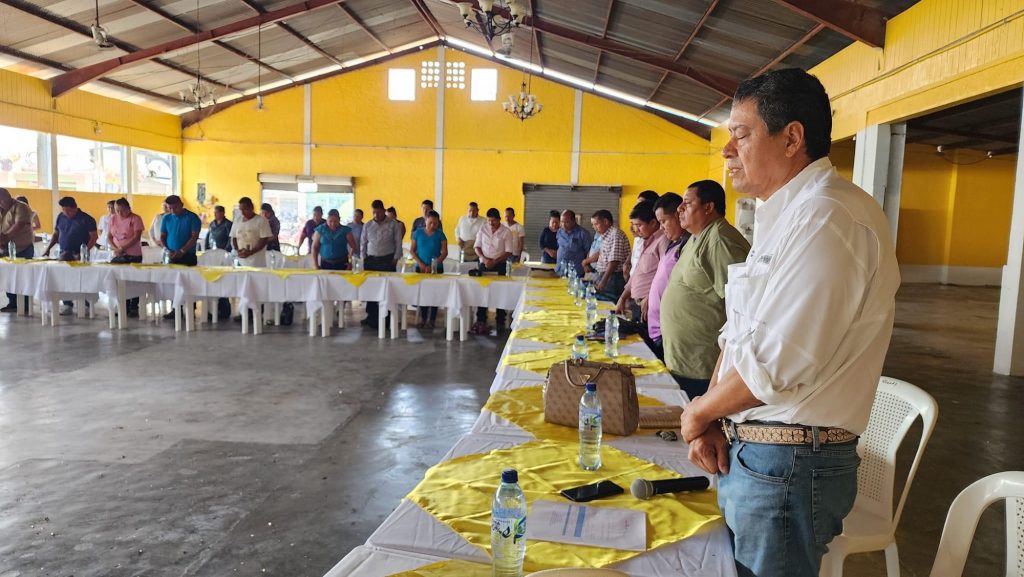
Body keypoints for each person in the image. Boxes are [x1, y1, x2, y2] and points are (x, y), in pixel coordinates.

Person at [679, 69, 900, 577]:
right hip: (762, 455)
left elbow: (774, 366)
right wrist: (712, 416)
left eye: (741, 134)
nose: (727, 150)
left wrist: (697, 413)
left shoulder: (829, 218)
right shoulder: (787, 216)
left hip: (789, 464)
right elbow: (739, 335)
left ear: (792, 138)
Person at [660, 181, 749, 398]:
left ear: (708, 207)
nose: (679, 208)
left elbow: (742, 308)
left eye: (687, 203)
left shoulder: (719, 240)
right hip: (683, 362)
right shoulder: (695, 238)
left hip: (703, 368)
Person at [644, 193, 689, 360]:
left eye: (664, 221)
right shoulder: (674, 244)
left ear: (678, 215)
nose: (661, 228)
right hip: (656, 328)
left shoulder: (686, 247)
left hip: (667, 330)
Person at [615, 201, 666, 338]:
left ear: (653, 223)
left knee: (648, 344)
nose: (635, 229)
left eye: (639, 225)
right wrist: (623, 297)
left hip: (649, 305)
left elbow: (665, 275)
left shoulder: (662, 241)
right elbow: (637, 273)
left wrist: (650, 296)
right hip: (637, 304)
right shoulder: (645, 242)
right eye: (634, 225)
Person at [42, 197, 97, 315]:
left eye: (68, 211)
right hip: (64, 253)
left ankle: (86, 301)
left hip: (80, 254)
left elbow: (93, 237)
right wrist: (48, 249)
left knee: (81, 278)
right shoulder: (60, 217)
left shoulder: (86, 219)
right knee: (64, 278)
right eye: (63, 210)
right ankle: (67, 303)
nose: (66, 213)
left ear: (75, 208)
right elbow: (56, 234)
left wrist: (84, 252)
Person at [359, 199, 403, 329]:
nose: (376, 215)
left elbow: (398, 242)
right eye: (373, 212)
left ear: (384, 210)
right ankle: (371, 317)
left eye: (378, 212)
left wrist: (395, 258)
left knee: (387, 290)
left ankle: (387, 318)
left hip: (387, 260)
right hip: (371, 261)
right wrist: (363, 258)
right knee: (371, 290)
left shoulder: (393, 224)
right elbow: (363, 243)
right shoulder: (367, 225)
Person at [472, 208, 514, 334]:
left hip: (499, 265)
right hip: (484, 265)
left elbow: (508, 252)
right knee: (482, 292)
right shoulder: (482, 228)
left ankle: (500, 320)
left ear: (499, 219)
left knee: (500, 293)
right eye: (489, 220)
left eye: (493, 221)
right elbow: (477, 246)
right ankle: (481, 320)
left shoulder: (506, 232)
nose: (491, 223)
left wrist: (494, 261)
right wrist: (485, 259)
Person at [107, 198, 145, 317]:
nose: (119, 213)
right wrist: (115, 248)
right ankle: (122, 306)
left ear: (128, 208)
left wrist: (122, 248)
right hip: (118, 253)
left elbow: (136, 237)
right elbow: (109, 236)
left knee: (133, 281)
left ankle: (134, 306)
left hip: (133, 255)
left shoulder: (135, 218)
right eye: (117, 210)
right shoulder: (113, 218)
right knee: (119, 280)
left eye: (122, 210)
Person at [410, 210, 448, 329]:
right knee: (423, 294)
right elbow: (412, 250)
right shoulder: (417, 233)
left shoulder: (440, 234)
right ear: (425, 220)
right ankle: (423, 318)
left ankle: (432, 319)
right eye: (430, 222)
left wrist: (434, 265)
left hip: (436, 269)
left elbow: (444, 252)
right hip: (421, 268)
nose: (433, 225)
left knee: (434, 294)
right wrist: (421, 264)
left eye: (435, 223)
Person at [0, 188, 35, 312]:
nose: (0, 204)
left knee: (23, 278)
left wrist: (5, 237)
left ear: (8, 197)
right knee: (8, 277)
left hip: (22, 248)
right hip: (6, 249)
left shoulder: (21, 207)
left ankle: (25, 305)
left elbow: (19, 224)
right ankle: (13, 303)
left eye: (1, 201)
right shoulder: (1, 209)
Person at [590, 209, 629, 302]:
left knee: (609, 304)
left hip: (613, 278)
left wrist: (603, 281)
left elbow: (614, 262)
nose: (594, 227)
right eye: (593, 224)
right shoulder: (606, 235)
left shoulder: (615, 234)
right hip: (606, 276)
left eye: (596, 224)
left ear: (606, 221)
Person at [230, 197, 273, 267]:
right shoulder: (237, 220)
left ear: (251, 207)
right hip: (240, 260)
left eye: (245, 209)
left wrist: (250, 252)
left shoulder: (262, 221)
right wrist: (238, 251)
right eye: (241, 210)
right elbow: (234, 237)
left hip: (256, 262)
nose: (243, 213)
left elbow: (264, 240)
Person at [626, 190, 659, 280]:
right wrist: (627, 262)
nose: (637, 207)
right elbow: (636, 250)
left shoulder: (659, 239)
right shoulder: (641, 231)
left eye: (641, 204)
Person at [554, 210, 590, 277]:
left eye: (566, 222)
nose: (563, 225)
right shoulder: (559, 232)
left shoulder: (583, 234)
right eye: (562, 222)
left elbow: (589, 252)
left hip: (575, 273)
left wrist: (586, 265)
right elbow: (559, 247)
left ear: (574, 221)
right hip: (560, 271)